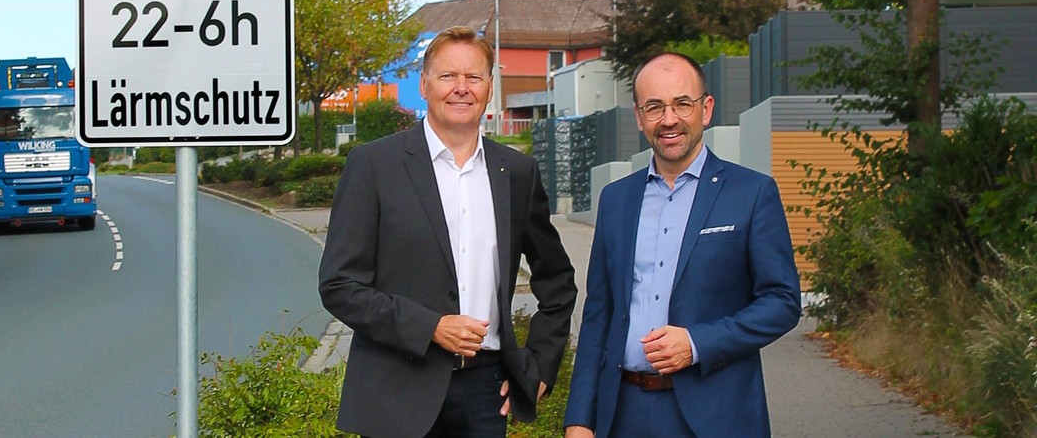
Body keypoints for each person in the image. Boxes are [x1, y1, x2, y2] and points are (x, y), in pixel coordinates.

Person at [318, 25, 577, 438]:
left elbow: (557, 279)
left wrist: (541, 365)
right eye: (447, 76)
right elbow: (340, 285)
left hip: (485, 394)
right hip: (395, 395)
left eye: (473, 77)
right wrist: (430, 327)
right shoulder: (373, 166)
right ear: (423, 84)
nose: (461, 88)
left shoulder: (517, 173)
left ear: (490, 87)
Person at [563, 52, 801, 438]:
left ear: (705, 109)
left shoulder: (752, 193)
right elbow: (599, 317)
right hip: (623, 414)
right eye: (654, 107)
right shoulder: (616, 199)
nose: (669, 119)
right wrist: (579, 418)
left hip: (715, 414)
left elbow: (782, 302)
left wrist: (697, 343)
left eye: (682, 104)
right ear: (639, 118)